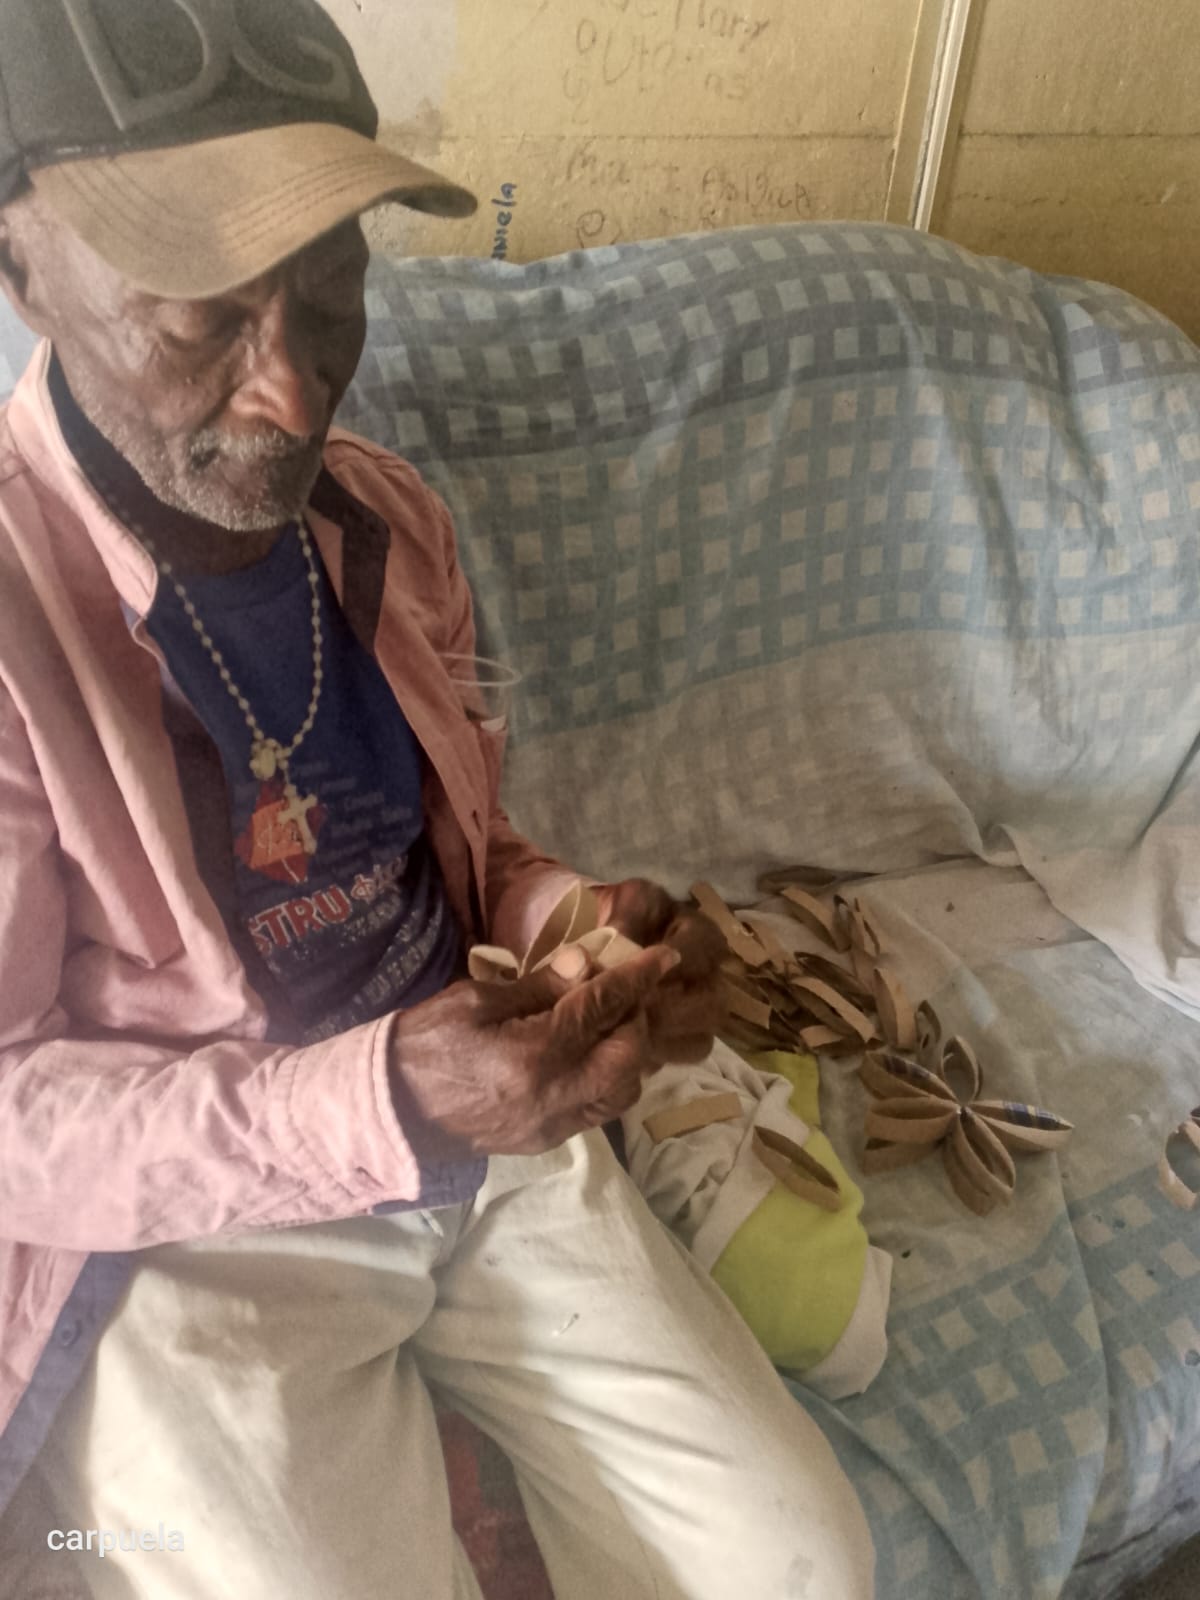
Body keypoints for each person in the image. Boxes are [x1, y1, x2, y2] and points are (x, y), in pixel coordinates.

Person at [0, 3, 875, 1596]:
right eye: (201, 316)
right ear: (20, 266)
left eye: (331, 289)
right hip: (195, 1227)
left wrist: (571, 925)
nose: (291, 393)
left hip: (489, 1137)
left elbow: (457, 848)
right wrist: (378, 1104)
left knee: (800, 1567)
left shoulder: (384, 519)